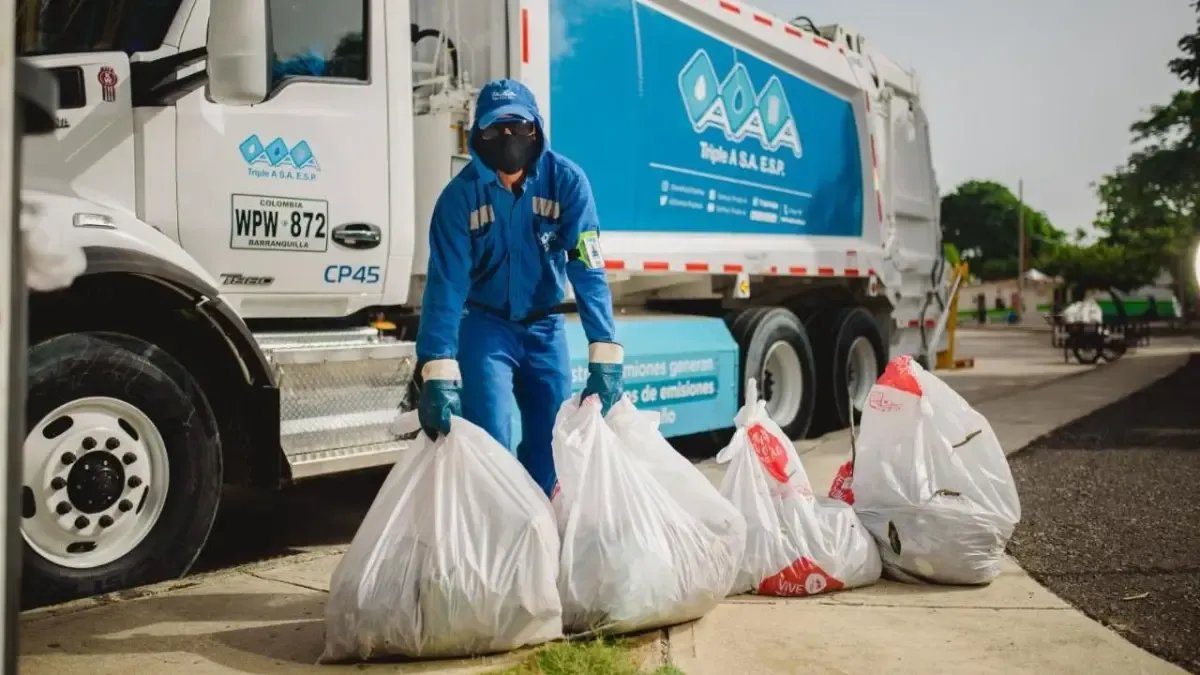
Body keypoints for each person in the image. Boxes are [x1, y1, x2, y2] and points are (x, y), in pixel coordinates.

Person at [411, 78, 624, 497]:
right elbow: (446, 285)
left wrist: (605, 349)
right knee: (489, 440)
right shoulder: (459, 199)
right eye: (496, 130)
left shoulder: (566, 183)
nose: (509, 139)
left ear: (536, 130)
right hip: (485, 328)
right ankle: (501, 539)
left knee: (552, 447)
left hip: (544, 329)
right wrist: (435, 366)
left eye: (519, 127)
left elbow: (587, 265)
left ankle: (540, 538)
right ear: (478, 135)